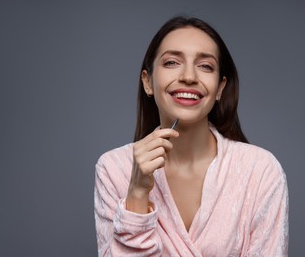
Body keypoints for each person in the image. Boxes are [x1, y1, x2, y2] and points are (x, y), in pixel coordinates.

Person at [94, 16, 288, 256]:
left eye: (205, 66)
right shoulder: (113, 169)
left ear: (219, 88)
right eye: (172, 62)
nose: (189, 76)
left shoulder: (260, 171)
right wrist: (136, 195)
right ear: (148, 82)